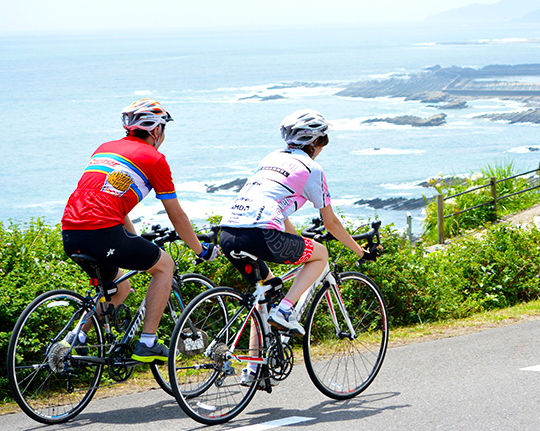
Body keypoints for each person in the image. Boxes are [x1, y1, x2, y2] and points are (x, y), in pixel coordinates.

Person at [218, 109, 378, 385]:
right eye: (323, 141)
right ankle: (286, 310)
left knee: (264, 292)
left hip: (229, 234)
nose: (323, 147)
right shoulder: (312, 169)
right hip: (262, 235)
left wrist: (296, 238)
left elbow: (276, 206)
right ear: (315, 142)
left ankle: (254, 369)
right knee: (320, 254)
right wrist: (361, 251)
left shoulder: (271, 158)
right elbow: (332, 224)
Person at [61, 99, 219, 363]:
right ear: (156, 131)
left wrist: (131, 239)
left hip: (71, 232)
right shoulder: (154, 159)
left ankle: (76, 337)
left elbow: (112, 203)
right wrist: (200, 249)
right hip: (103, 233)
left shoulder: (105, 149)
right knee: (164, 266)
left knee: (119, 289)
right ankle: (147, 342)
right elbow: (176, 215)